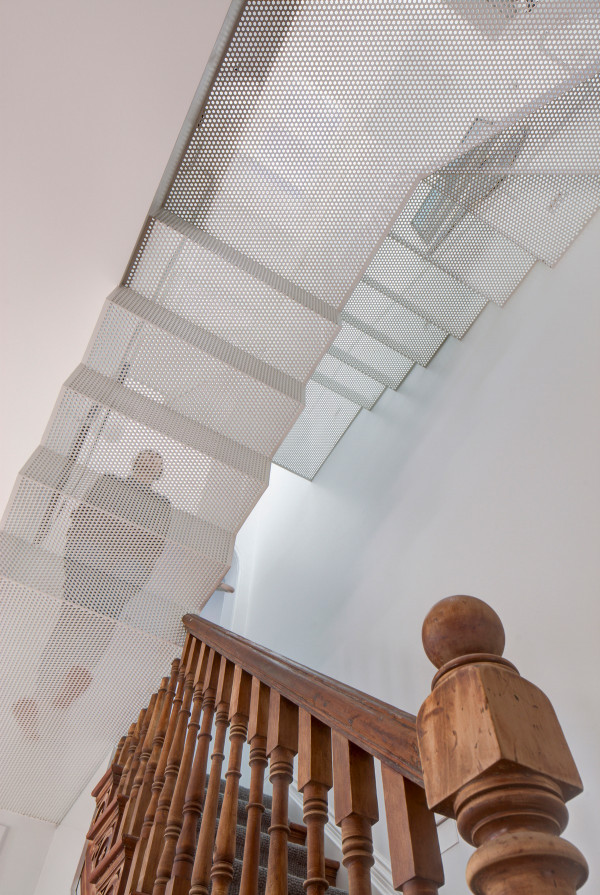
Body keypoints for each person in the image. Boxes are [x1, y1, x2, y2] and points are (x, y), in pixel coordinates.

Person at [13, 449, 171, 738]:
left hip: (120, 577)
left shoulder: (161, 505)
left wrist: (133, 583)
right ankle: (40, 695)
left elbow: (154, 547)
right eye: (146, 456)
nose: (150, 461)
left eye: (155, 460)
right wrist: (72, 560)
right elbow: (82, 516)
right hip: (87, 566)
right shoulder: (108, 482)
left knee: (98, 634)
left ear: (159, 472)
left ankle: (61, 700)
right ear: (135, 461)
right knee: (67, 626)